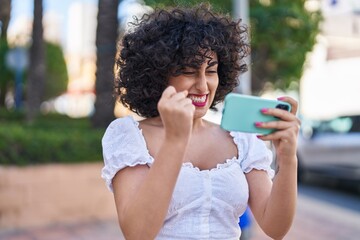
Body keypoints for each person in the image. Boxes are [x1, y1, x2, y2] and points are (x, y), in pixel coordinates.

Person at [101, 3, 300, 240]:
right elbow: (138, 233)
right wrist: (175, 140)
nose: (204, 85)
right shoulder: (128, 135)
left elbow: (275, 228)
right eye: (189, 71)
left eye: (211, 70)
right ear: (158, 73)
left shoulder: (240, 139)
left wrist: (288, 158)